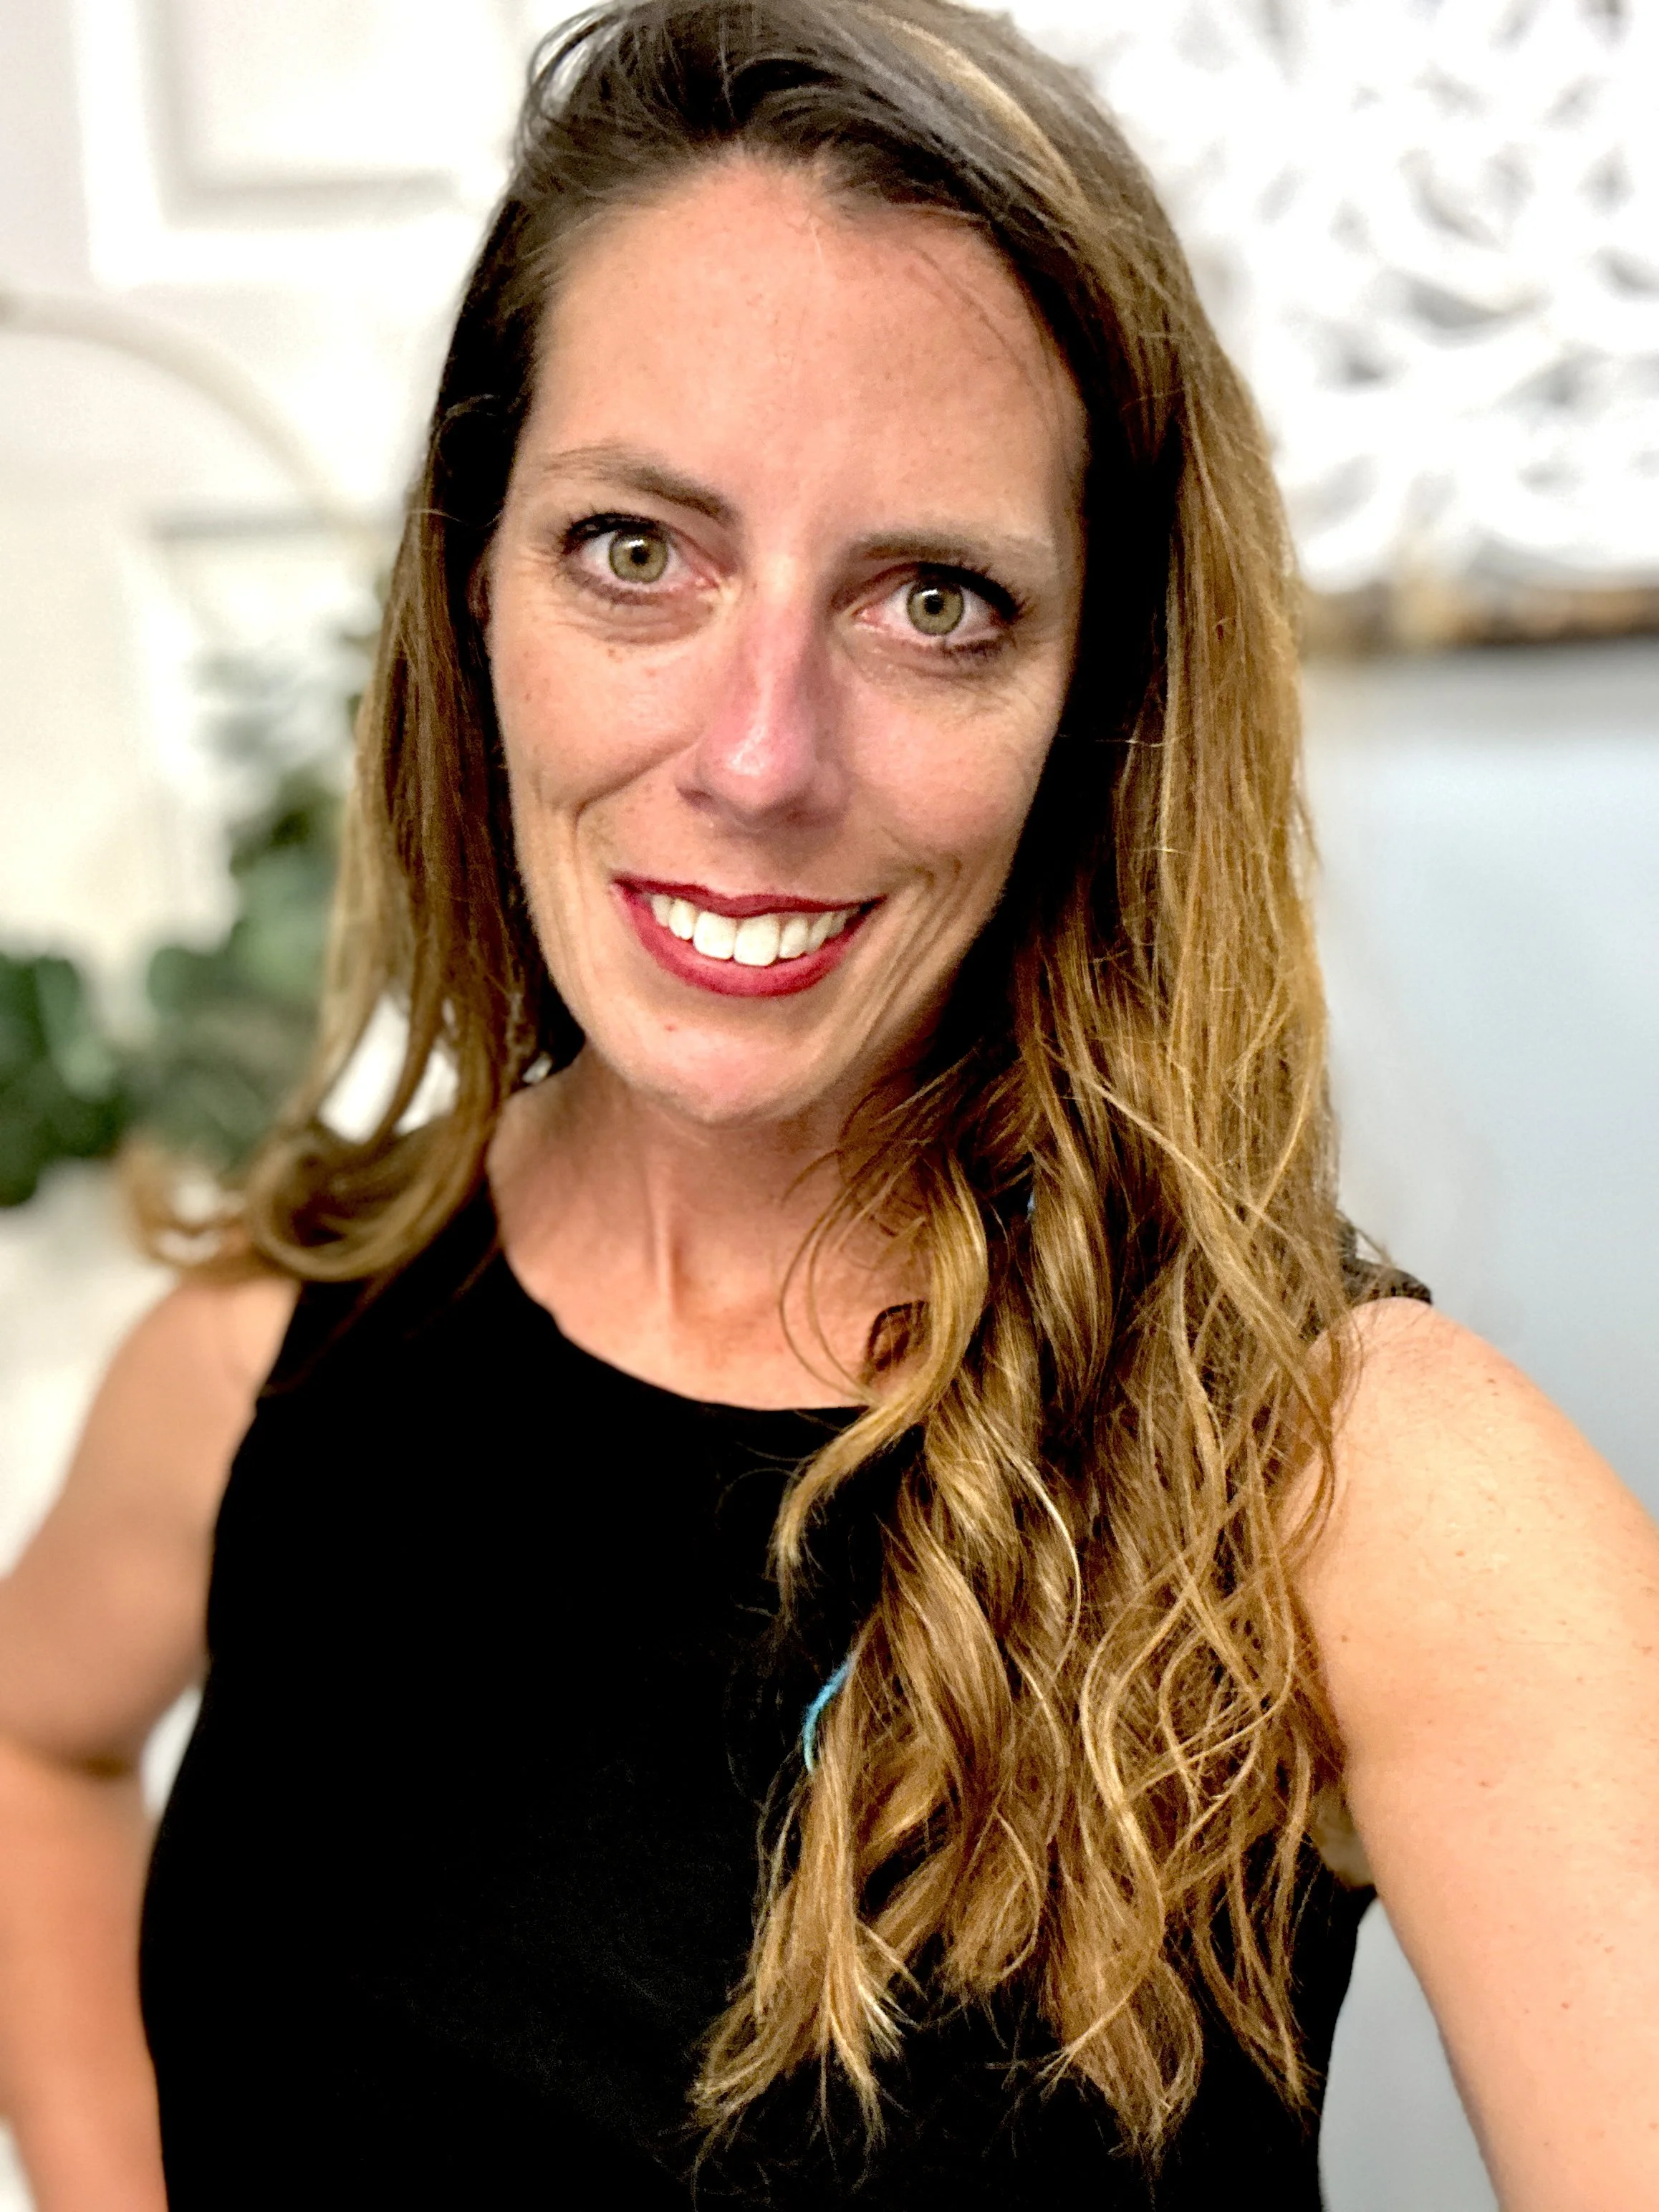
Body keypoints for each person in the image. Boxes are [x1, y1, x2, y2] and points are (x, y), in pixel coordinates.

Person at [1, 0, 1655, 2204]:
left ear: (1100, 702)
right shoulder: (266, 1361)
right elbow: (29, 1743)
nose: (760, 754)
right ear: (470, 578)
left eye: (937, 601)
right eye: (635, 552)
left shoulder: (1364, 1496)